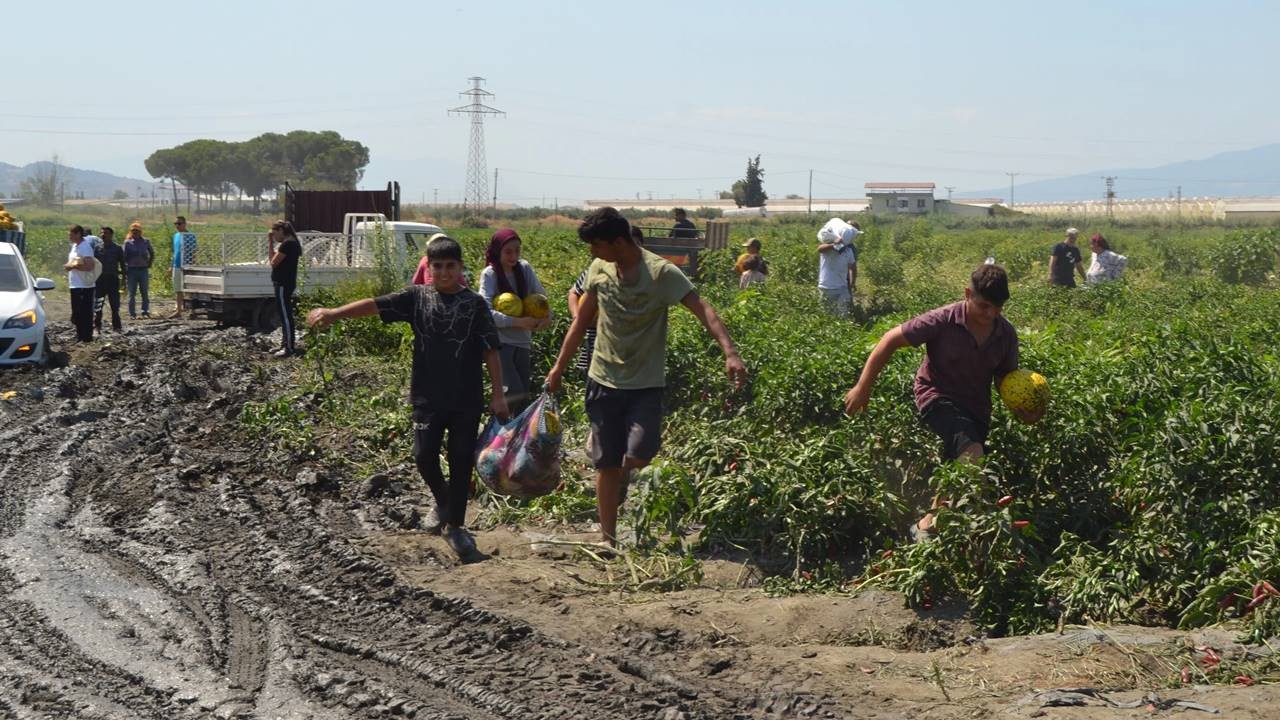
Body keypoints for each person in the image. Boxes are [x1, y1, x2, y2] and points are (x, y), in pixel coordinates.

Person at [545, 207, 748, 547]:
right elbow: (580, 322)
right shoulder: (599, 269)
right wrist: (558, 368)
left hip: (645, 383)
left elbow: (704, 309)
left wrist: (730, 351)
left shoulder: (660, 274)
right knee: (605, 464)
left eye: (597, 245)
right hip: (602, 379)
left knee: (640, 454)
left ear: (619, 241)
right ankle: (608, 539)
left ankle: (625, 476)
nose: (592, 253)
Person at [306, 235, 507, 561]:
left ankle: (456, 527)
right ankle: (443, 501)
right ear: (428, 268)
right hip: (427, 397)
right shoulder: (417, 297)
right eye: (436, 266)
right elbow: (375, 304)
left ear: (460, 268)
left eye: (449, 266)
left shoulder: (474, 306)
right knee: (423, 455)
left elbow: (491, 351)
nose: (443, 273)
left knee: (460, 463)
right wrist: (334, 312)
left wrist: (498, 394)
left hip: (466, 399)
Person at [843, 264, 1044, 541]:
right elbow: (889, 340)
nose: (991, 314)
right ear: (967, 294)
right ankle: (964, 527)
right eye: (984, 306)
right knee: (972, 454)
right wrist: (862, 388)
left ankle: (925, 528)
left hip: (976, 407)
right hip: (936, 395)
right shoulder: (942, 320)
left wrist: (1022, 408)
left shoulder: (1005, 333)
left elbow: (1004, 379)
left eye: (998, 308)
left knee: (958, 465)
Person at [479, 228, 551, 412]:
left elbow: (541, 297)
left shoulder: (524, 268)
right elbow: (484, 312)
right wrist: (517, 322)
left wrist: (546, 317)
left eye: (517, 251)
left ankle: (515, 436)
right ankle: (496, 431)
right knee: (512, 391)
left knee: (523, 394)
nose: (514, 256)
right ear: (497, 251)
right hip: (500, 343)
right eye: (508, 252)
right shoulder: (490, 274)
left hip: (523, 342)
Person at [568, 226, 645, 373]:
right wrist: (578, 317)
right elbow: (574, 292)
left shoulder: (646, 275)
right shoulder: (598, 270)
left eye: (636, 245)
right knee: (594, 377)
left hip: (627, 345)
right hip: (595, 338)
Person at [268, 220, 302, 357]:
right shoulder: (290, 244)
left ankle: (289, 347)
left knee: (286, 316)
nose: (275, 237)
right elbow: (273, 261)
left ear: (282, 230)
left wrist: (270, 243)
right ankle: (285, 344)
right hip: (284, 283)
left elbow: (273, 263)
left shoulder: (288, 244)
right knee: (284, 315)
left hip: (283, 284)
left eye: (275, 234)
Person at [817, 217, 859, 315]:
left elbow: (853, 267)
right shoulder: (828, 248)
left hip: (842, 287)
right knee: (826, 314)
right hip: (826, 287)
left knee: (844, 314)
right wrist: (833, 244)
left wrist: (852, 283)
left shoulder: (849, 250)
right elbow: (819, 249)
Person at [63, 225, 97, 342]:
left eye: (71, 234)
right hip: (75, 284)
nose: (70, 236)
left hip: (84, 285)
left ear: (78, 234)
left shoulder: (85, 247)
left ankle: (87, 337)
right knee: (77, 312)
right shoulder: (74, 246)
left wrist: (72, 266)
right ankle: (80, 335)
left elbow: (89, 266)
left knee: (85, 312)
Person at [93, 226, 126, 333]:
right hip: (100, 280)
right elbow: (94, 264)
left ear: (111, 235)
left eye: (106, 233)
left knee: (114, 305)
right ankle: (97, 326)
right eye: (102, 233)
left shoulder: (117, 248)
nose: (103, 235)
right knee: (98, 305)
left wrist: (124, 280)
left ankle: (117, 327)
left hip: (112, 279)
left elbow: (122, 265)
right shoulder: (97, 248)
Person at [123, 221, 154, 319]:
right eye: (133, 230)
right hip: (132, 270)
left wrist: (149, 263)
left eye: (137, 230)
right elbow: (123, 257)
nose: (135, 232)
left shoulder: (145, 241)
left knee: (144, 291)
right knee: (132, 293)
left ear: (140, 231)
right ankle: (132, 313)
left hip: (143, 269)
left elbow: (152, 253)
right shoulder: (127, 243)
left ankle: (145, 311)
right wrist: (124, 268)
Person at [170, 216, 196, 317]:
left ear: (185, 224)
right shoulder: (175, 236)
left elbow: (193, 252)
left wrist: (192, 265)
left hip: (186, 265)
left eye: (179, 224)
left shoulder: (190, 236)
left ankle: (192, 311)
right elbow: (175, 252)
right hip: (176, 265)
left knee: (190, 289)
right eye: (175, 224)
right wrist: (171, 265)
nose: (177, 226)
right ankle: (179, 311)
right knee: (178, 289)